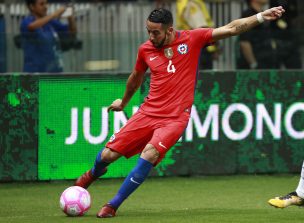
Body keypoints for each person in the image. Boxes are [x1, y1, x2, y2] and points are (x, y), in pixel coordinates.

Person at [74, 7, 285, 218]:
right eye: (148, 31)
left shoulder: (192, 39)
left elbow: (230, 29)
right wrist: (124, 102)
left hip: (175, 119)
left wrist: (259, 17)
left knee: (149, 153)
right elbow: (135, 78)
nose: (150, 36)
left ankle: (112, 205)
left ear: (169, 30)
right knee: (107, 155)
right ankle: (91, 175)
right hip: (148, 112)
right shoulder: (145, 49)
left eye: (155, 32)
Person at [21, 0, 76, 73]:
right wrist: (54, 15)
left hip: (54, 71)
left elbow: (72, 32)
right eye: (41, 4)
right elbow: (31, 26)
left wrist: (70, 17)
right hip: (35, 73)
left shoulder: (50, 22)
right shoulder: (26, 21)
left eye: (46, 3)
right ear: (32, 7)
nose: (45, 7)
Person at [237, 0, 278, 69]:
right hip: (255, 64)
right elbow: (244, 42)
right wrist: (253, 63)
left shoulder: (264, 14)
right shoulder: (248, 14)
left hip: (266, 62)